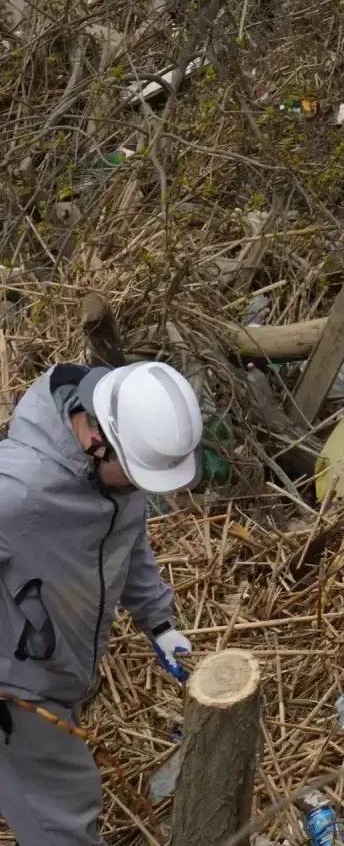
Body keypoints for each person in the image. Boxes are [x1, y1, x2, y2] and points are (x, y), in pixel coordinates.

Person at [0, 361, 202, 844]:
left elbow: (128, 543)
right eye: (133, 477)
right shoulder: (18, 491)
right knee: (62, 815)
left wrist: (159, 622)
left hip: (61, 669)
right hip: (18, 690)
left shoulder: (118, 468)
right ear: (96, 440)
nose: (136, 490)